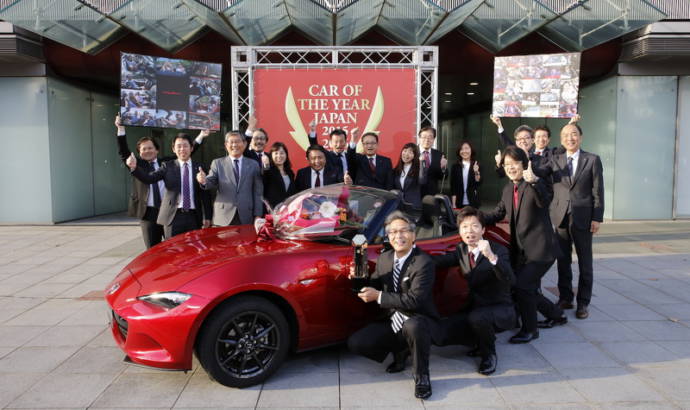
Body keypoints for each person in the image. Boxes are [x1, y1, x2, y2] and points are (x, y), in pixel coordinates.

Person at [347, 211, 440, 399]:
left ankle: (422, 375)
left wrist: (379, 296)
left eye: (404, 231)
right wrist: (359, 277)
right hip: (393, 318)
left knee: (414, 326)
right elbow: (373, 285)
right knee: (356, 343)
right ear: (388, 237)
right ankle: (401, 351)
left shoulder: (424, 262)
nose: (399, 236)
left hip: (418, 317)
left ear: (413, 235)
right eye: (393, 232)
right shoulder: (385, 258)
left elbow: (415, 301)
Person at [483, 146, 566, 343]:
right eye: (507, 165)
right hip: (521, 251)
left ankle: (531, 330)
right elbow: (497, 214)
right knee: (524, 287)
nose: (511, 168)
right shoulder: (507, 189)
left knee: (522, 286)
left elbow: (545, 201)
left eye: (515, 164)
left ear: (524, 164)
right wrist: (471, 217)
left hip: (541, 249)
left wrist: (535, 181)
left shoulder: (534, 183)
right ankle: (557, 315)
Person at [431, 207, 515, 376]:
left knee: (477, 318)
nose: (470, 231)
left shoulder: (498, 251)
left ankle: (489, 354)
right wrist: (411, 256)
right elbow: (440, 261)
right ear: (459, 231)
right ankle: (476, 341)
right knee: (441, 333)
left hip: (499, 308)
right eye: (465, 227)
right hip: (473, 306)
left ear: (483, 230)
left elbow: (510, 280)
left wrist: (491, 257)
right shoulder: (462, 249)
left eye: (475, 226)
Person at [115, 115, 208, 248]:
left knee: (175, 247)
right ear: (139, 152)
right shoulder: (137, 165)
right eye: (143, 149)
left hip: (170, 210)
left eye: (150, 148)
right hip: (149, 212)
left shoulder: (167, 163)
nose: (147, 151)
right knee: (153, 249)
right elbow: (124, 152)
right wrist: (121, 129)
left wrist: (201, 136)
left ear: (157, 150)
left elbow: (185, 152)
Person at [546, 123, 604, 319]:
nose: (570, 138)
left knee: (585, 263)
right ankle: (565, 297)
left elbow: (598, 191)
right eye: (565, 135)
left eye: (573, 134)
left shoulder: (592, 159)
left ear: (581, 137)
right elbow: (538, 171)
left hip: (584, 218)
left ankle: (583, 303)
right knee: (563, 260)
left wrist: (597, 218)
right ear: (561, 139)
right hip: (560, 217)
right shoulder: (555, 159)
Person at [126, 134, 212, 239]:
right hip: (173, 216)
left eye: (185, 146)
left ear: (191, 148)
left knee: (192, 250)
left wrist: (208, 216)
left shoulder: (200, 167)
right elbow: (149, 179)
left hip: (193, 216)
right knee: (173, 250)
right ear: (173, 149)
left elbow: (205, 194)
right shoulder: (167, 166)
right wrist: (134, 168)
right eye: (179, 146)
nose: (182, 149)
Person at [197, 131, 264, 226]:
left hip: (246, 215)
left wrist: (258, 215)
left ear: (244, 144)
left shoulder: (253, 165)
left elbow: (258, 192)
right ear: (226, 145)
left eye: (237, 141)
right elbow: (211, 181)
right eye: (231, 142)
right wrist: (203, 180)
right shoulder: (218, 163)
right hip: (223, 217)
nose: (234, 145)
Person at [392, 143, 426, 210]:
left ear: (415, 156)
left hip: (413, 207)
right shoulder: (396, 170)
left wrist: (422, 162)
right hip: (399, 206)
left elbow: (422, 181)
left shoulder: (419, 169)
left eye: (410, 152)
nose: (406, 154)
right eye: (405, 151)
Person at [262, 142, 296, 209]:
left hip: (288, 210)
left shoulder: (290, 172)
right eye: (276, 153)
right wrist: (266, 166)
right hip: (272, 210)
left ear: (286, 155)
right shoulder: (268, 171)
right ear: (271, 155)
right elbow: (264, 180)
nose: (279, 156)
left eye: (282, 153)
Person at [416, 126, 448, 196]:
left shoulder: (439, 154)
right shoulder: (413, 152)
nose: (427, 140)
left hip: (432, 195)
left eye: (430, 137)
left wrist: (443, 168)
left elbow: (444, 177)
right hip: (414, 194)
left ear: (434, 139)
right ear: (419, 138)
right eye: (424, 137)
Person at [450, 140, 481, 209]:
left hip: (472, 202)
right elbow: (453, 187)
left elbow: (478, 182)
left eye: (466, 148)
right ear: (459, 152)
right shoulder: (455, 166)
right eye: (461, 149)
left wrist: (476, 172)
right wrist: (454, 205)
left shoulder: (477, 165)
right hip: (459, 202)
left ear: (471, 150)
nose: (464, 151)